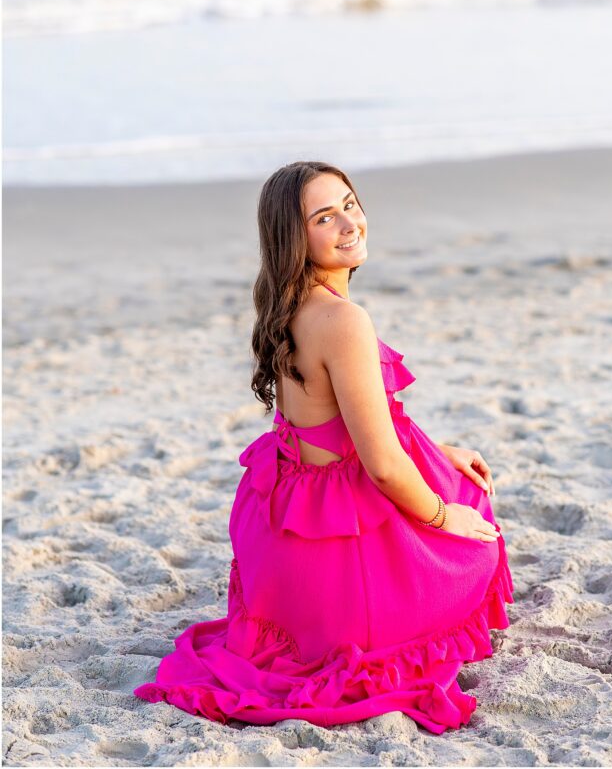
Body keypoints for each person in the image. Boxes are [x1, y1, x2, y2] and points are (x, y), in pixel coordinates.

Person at [134, 160, 515, 734]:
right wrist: (445, 516)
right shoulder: (342, 319)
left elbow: (353, 420)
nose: (348, 223)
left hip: (285, 536)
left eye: (350, 204)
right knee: (476, 530)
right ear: (295, 236)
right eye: (324, 216)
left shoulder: (287, 301)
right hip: (339, 556)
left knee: (458, 474)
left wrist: (439, 452)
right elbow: (383, 467)